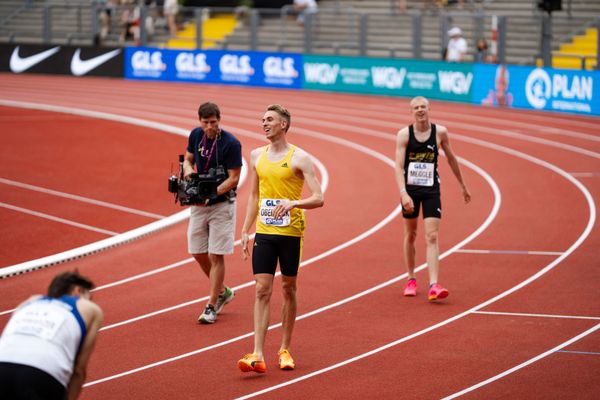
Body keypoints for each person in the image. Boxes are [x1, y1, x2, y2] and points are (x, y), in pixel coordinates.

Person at [237, 104, 324, 373]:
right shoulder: (255, 156)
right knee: (262, 289)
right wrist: (245, 229)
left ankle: (285, 348)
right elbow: (254, 195)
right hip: (264, 231)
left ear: (283, 125)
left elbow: (319, 198)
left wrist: (293, 203)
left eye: (270, 120)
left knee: (288, 288)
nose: (264, 123)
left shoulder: (300, 158)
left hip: (290, 233)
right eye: (262, 119)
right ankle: (257, 353)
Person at [394, 96, 471, 302]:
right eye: (416, 108)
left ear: (429, 109)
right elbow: (399, 167)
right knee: (411, 234)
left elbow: (452, 159)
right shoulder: (404, 135)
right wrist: (403, 193)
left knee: (432, 236)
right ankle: (411, 279)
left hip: (431, 191)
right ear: (411, 112)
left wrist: (462, 185)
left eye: (423, 107)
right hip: (411, 191)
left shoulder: (440, 133)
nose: (420, 110)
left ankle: (434, 284)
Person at [0, 271, 103, 400]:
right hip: (43, 374)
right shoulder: (88, 308)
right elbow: (78, 370)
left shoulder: (30, 301)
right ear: (78, 291)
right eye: (89, 296)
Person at [183, 102, 243, 324]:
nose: (209, 127)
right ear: (199, 121)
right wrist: (188, 170)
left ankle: (211, 305)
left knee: (215, 255)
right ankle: (223, 291)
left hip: (222, 204)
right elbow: (189, 159)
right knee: (197, 252)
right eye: (205, 122)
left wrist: (213, 192)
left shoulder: (231, 143)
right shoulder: (195, 135)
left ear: (220, 119)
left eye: (213, 122)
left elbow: (234, 178)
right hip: (199, 204)